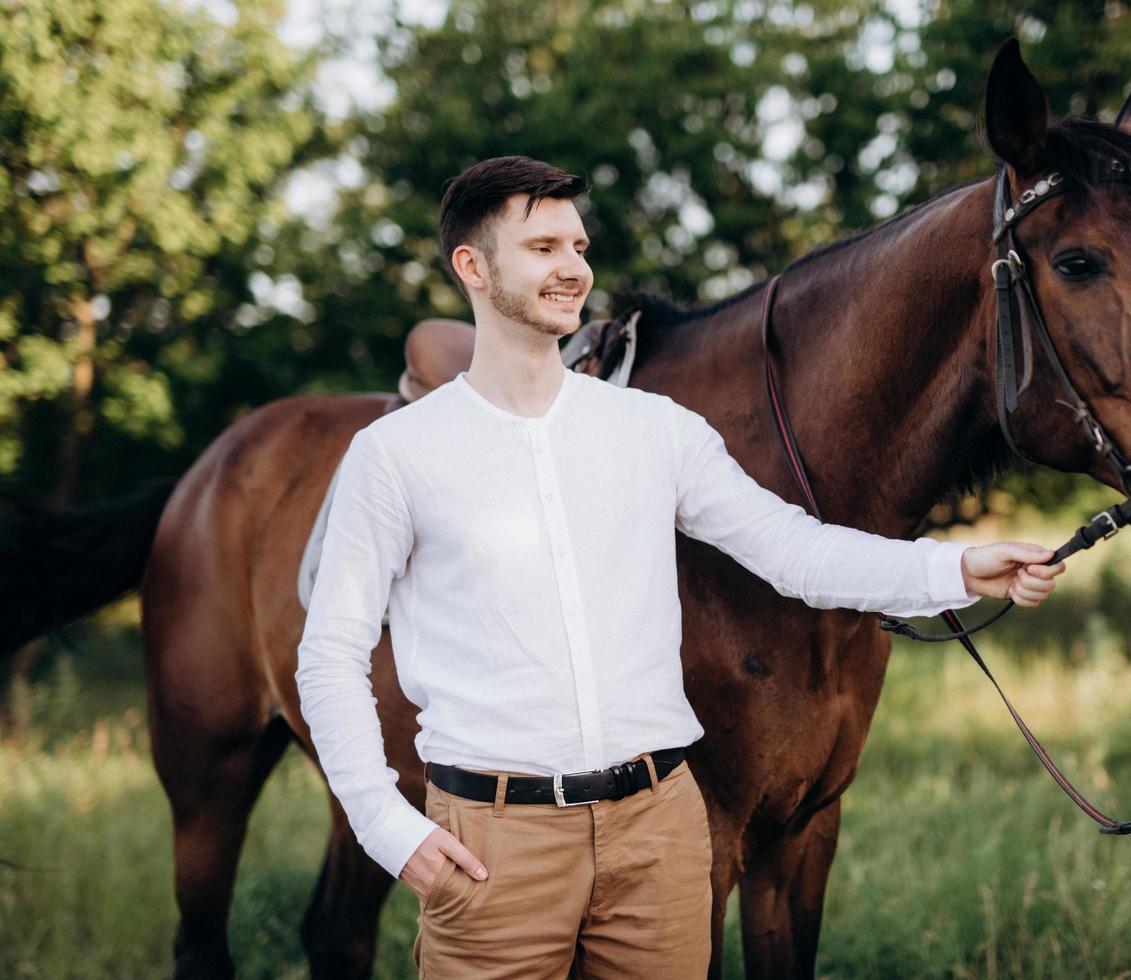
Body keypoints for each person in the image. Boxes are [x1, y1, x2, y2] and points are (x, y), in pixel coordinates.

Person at [294, 155, 1067, 979]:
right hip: (495, 844)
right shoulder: (395, 454)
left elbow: (793, 549)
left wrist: (957, 569)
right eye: (543, 246)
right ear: (473, 267)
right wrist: (384, 824)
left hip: (657, 833)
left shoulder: (655, 429)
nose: (572, 268)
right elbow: (331, 652)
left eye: (579, 246)